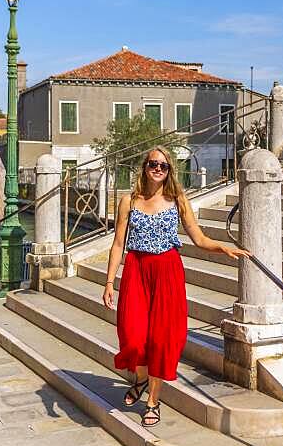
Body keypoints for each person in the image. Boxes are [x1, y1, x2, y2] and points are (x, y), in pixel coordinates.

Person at [102, 145, 248, 429]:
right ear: (144, 166)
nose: (158, 169)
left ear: (170, 171)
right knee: (132, 337)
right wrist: (109, 281)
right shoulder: (128, 201)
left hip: (167, 270)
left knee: (161, 340)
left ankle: (153, 401)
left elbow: (198, 237)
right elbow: (118, 243)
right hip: (136, 269)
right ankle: (141, 378)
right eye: (153, 164)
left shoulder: (178, 199)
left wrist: (223, 249)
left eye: (164, 166)